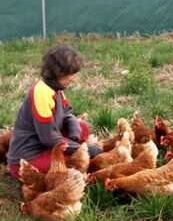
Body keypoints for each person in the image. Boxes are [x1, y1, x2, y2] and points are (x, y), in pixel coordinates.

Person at [8, 43, 102, 179]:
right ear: (59, 72)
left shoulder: (55, 88)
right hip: (27, 159)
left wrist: (74, 133)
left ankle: (71, 151)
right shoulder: (41, 93)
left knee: (82, 128)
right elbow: (49, 138)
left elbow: (67, 113)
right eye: (71, 74)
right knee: (75, 162)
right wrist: (83, 150)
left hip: (45, 145)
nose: (74, 79)